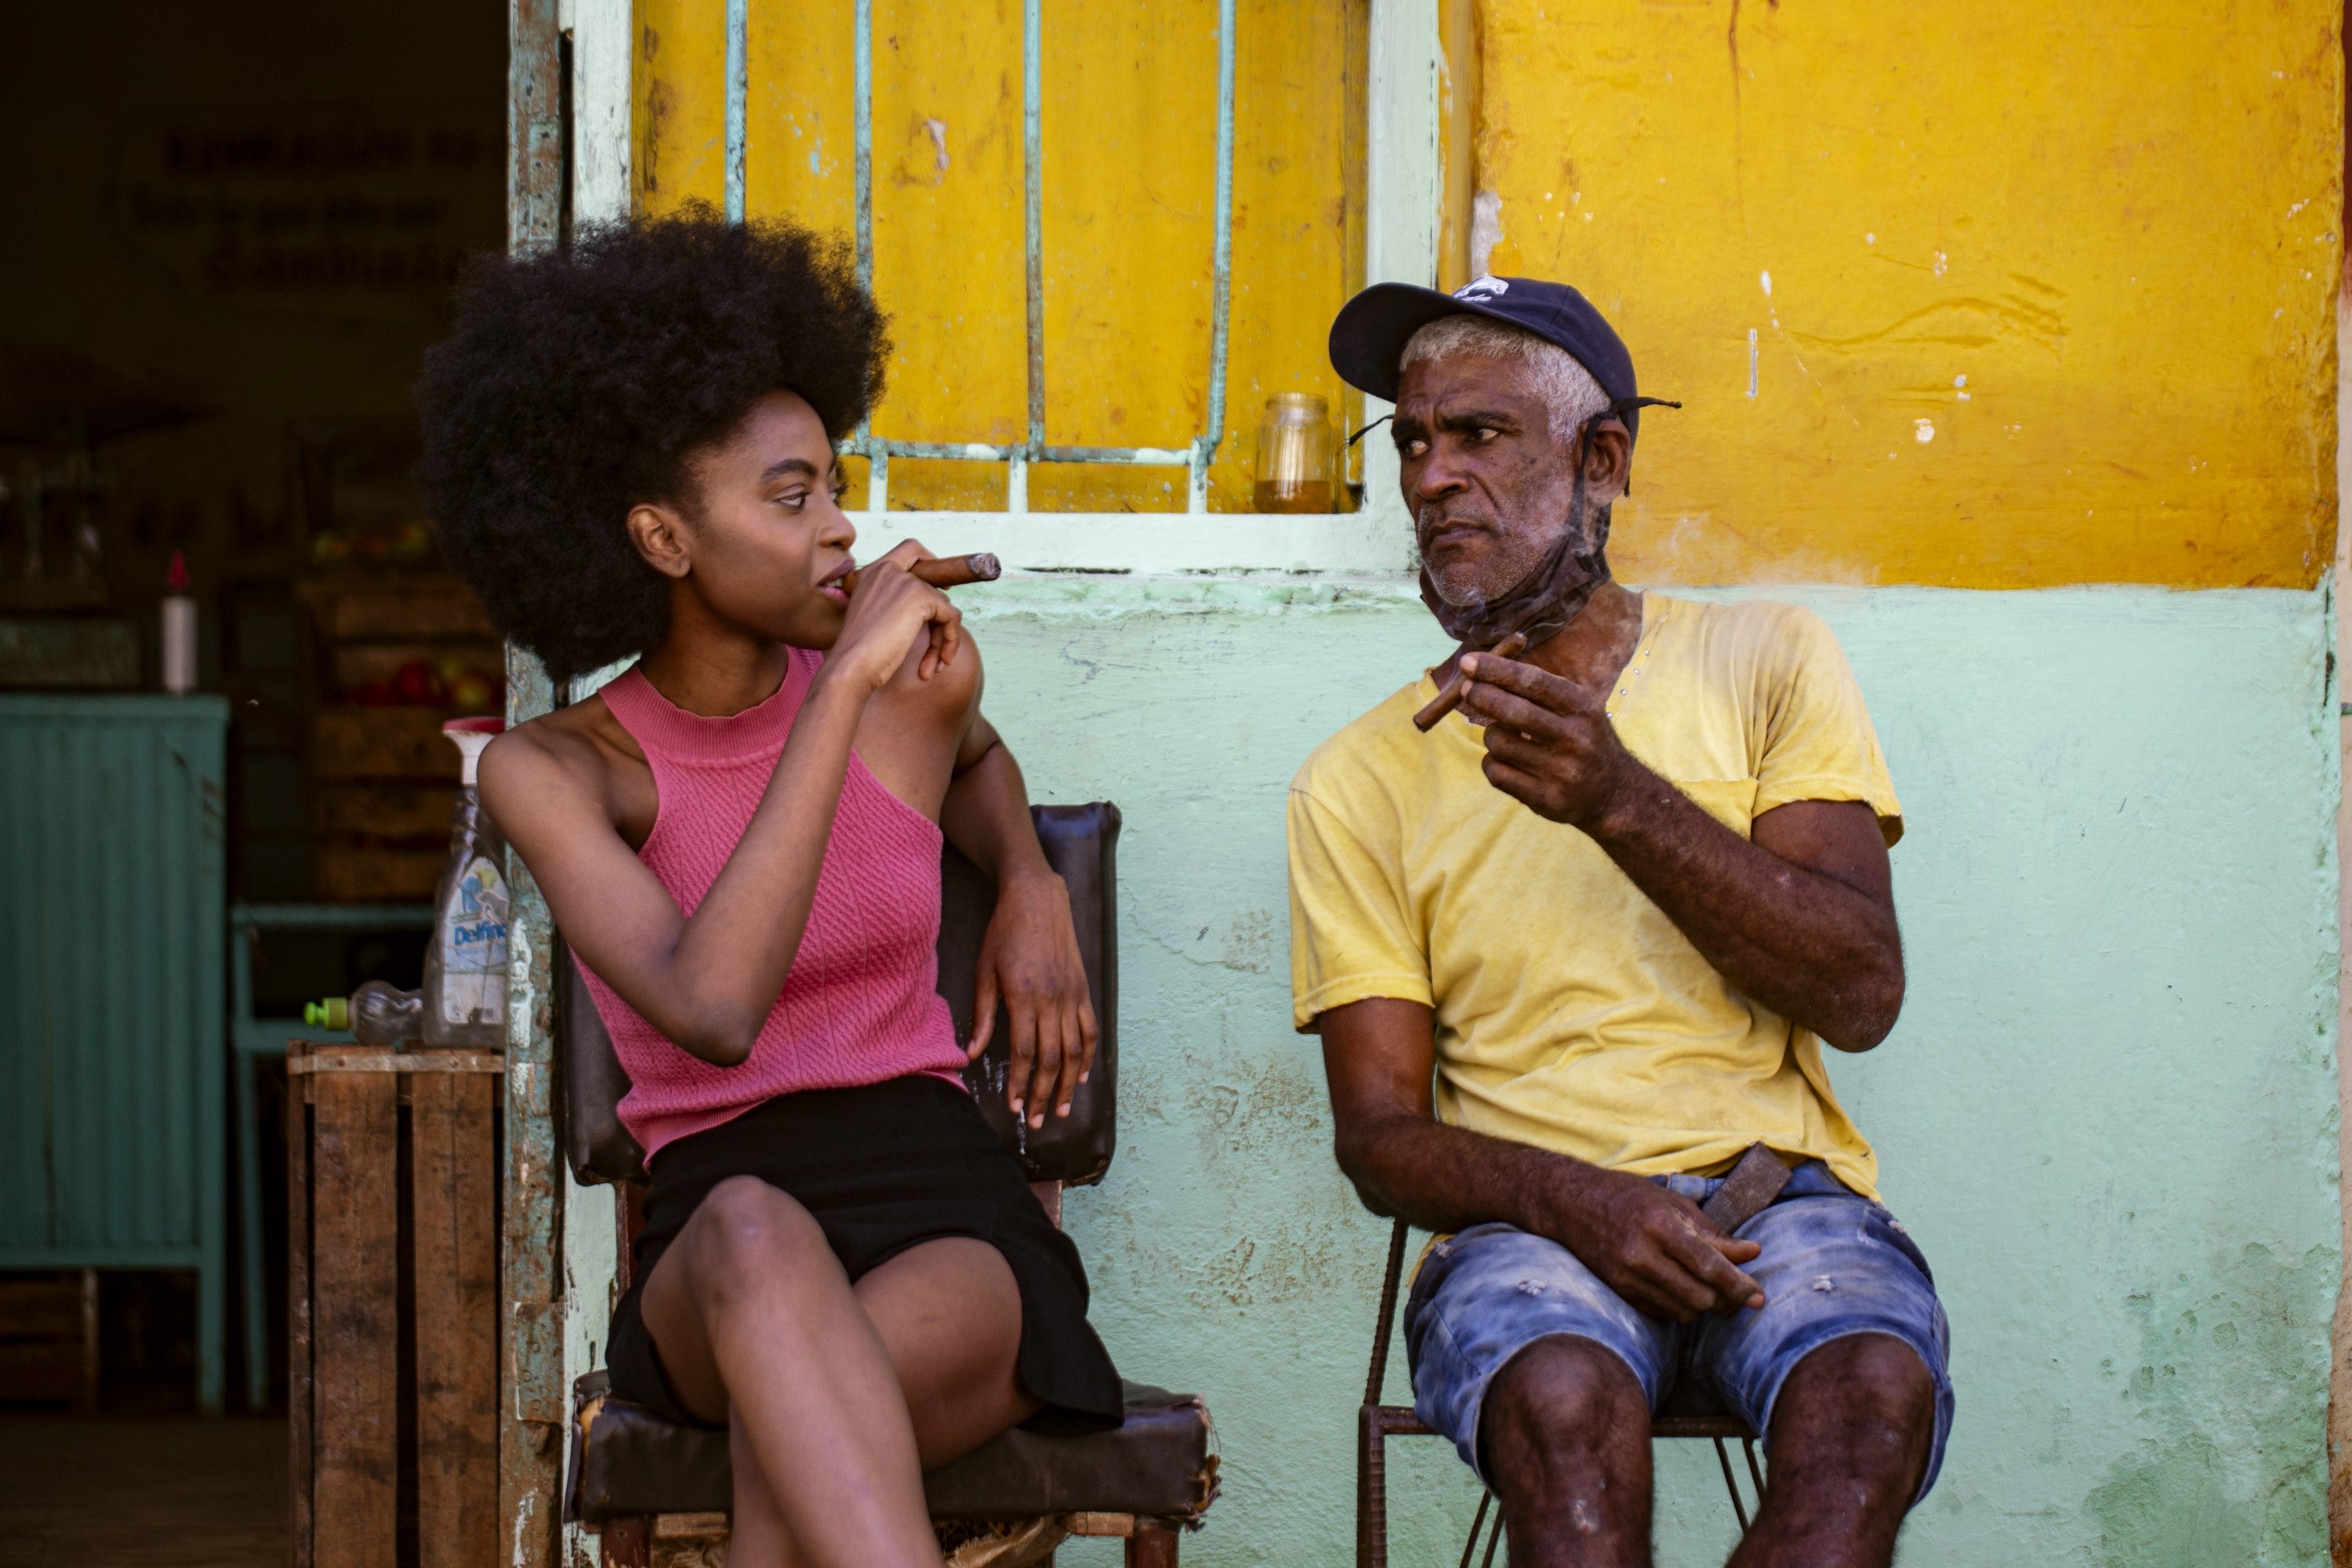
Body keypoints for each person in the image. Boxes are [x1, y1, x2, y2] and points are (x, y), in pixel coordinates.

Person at [416, 210, 1120, 1568]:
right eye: (790, 499)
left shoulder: (914, 702)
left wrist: (1027, 875)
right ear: (663, 540)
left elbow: (976, 759)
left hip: (944, 1209)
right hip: (716, 1234)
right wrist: (840, 689)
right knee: (756, 1242)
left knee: (794, 1453)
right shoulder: (551, 772)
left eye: (837, 488)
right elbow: (714, 1006)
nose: (843, 528)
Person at [1290, 275, 1952, 1568]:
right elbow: (1378, 1141)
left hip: (1783, 1208)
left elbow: (1862, 992)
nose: (1430, 477)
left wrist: (1618, 801)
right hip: (1530, 1233)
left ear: (1602, 461)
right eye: (1414, 442)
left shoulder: (1766, 660)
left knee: (1872, 1398)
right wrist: (1577, 1202)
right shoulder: (1356, 777)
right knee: (1564, 1412)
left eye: (1478, 434)